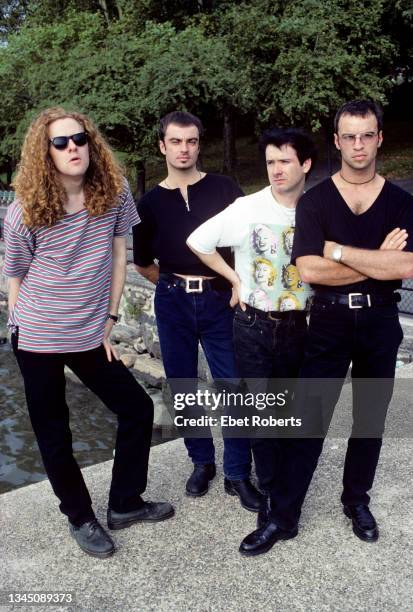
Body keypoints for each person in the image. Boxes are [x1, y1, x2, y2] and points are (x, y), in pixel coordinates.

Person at [238, 99, 413, 556]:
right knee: (309, 422)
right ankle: (283, 517)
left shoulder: (401, 202)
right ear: (337, 141)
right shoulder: (315, 200)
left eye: (367, 135)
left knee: (370, 420)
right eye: (349, 136)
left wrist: (340, 251)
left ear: (379, 138)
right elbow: (310, 271)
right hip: (329, 320)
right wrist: (378, 259)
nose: (358, 144)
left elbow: (409, 266)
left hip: (380, 320)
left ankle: (356, 501)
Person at [3, 107, 174, 559]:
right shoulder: (25, 210)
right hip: (37, 336)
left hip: (90, 333)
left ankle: (124, 503)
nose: (72, 147)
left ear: (90, 143)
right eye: (60, 143)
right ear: (46, 152)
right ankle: (80, 516)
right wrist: (20, 327)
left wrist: (110, 320)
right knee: (53, 431)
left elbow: (120, 257)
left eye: (79, 139)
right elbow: (15, 273)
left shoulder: (114, 194)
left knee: (136, 409)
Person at [133, 111, 263, 511]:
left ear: (198, 144)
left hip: (220, 299)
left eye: (190, 141)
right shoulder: (150, 202)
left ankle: (238, 472)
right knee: (182, 383)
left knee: (233, 384)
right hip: (172, 299)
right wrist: (176, 288)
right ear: (162, 146)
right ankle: (201, 462)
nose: (184, 149)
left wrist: (233, 285)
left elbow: (248, 242)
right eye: (175, 141)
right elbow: (142, 262)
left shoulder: (225, 189)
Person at [187, 127, 316, 526]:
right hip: (254, 326)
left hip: (300, 325)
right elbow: (198, 241)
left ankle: (285, 489)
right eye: (270, 163)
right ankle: (274, 496)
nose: (276, 170)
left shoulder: (316, 208)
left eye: (285, 162)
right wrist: (235, 280)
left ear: (305, 164)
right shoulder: (248, 208)